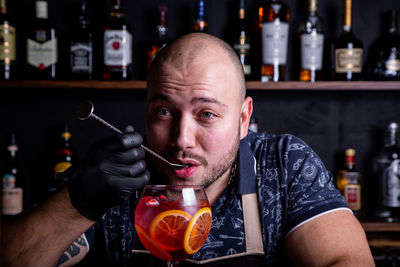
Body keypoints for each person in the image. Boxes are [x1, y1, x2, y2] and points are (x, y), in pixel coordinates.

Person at [1, 33, 374, 267]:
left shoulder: (283, 165)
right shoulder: (106, 178)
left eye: (207, 114)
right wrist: (77, 203)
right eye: (164, 112)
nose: (182, 139)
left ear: (244, 119)